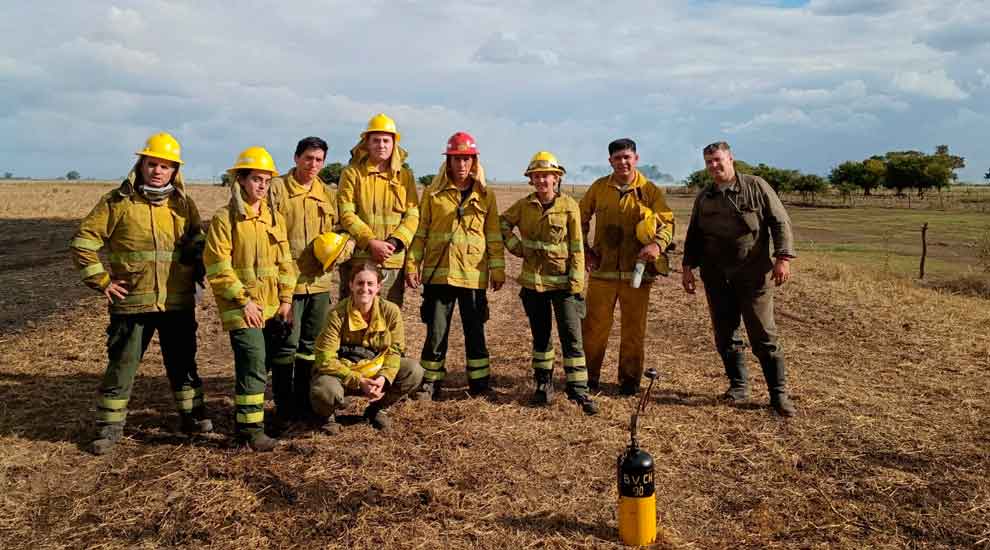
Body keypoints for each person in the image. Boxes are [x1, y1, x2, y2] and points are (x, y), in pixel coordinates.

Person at [71, 132, 212, 455]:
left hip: (176, 301)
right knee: (122, 365)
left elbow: (198, 243)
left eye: (166, 166)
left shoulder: (183, 204)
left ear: (175, 171)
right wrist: (103, 281)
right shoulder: (116, 203)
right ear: (141, 164)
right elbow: (83, 244)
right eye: (152, 164)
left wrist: (199, 266)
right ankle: (109, 428)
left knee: (182, 362)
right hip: (131, 303)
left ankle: (192, 417)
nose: (158, 171)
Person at [681, 141, 797, 417]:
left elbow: (780, 222)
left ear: (731, 159)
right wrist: (687, 267)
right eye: (708, 161)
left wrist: (783, 258)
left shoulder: (756, 186)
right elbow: (694, 234)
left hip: (753, 274)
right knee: (725, 335)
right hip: (716, 275)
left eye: (718, 160)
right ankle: (738, 386)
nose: (713, 166)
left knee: (763, 336)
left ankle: (778, 395)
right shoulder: (705, 196)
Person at [204, 146, 297, 451]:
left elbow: (285, 264)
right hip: (241, 308)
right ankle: (249, 430)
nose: (262, 185)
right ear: (241, 180)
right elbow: (218, 267)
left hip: (272, 307)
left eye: (267, 180)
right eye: (256, 179)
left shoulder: (274, 218)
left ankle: (262, 419)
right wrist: (244, 301)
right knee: (254, 363)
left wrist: (285, 301)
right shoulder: (224, 219)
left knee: (273, 361)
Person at [405, 132, 505, 400]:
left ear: (474, 162)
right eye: (456, 159)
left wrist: (497, 269)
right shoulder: (433, 194)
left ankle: (480, 384)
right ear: (448, 162)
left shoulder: (486, 196)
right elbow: (421, 232)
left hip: (474, 276)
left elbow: (493, 234)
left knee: (475, 332)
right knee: (436, 333)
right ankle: (429, 384)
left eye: (466, 159)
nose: (461, 165)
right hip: (439, 273)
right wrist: (412, 264)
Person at [500, 152, 598, 415]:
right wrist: (516, 247)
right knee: (541, 339)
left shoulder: (569, 206)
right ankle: (544, 384)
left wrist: (577, 283)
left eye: (547, 175)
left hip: (565, 286)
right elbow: (502, 224)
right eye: (537, 175)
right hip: (533, 286)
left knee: (572, 338)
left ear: (557, 179)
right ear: (531, 179)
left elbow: (577, 247)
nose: (542, 180)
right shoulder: (523, 205)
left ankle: (579, 389)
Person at [268, 137, 352, 427]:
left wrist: (340, 253)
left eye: (318, 160)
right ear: (296, 158)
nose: (313, 164)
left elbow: (343, 232)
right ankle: (283, 404)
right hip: (286, 285)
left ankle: (305, 401)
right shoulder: (276, 189)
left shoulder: (328, 194)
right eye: (308, 158)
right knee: (285, 347)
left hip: (318, 284)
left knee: (311, 347)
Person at [579, 138, 675, 395]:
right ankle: (588, 379)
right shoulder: (598, 188)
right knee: (593, 327)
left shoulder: (650, 190)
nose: (623, 162)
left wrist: (656, 245)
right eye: (617, 158)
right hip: (602, 273)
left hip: (638, 274)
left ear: (636, 159)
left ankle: (629, 382)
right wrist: (585, 251)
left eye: (627, 157)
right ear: (609, 161)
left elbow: (667, 224)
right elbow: (580, 219)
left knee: (634, 329)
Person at [310, 262, 424, 434]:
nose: (365, 288)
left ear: (378, 287)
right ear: (351, 285)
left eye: (370, 284)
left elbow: (395, 350)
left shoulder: (391, 311)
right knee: (324, 389)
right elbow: (324, 359)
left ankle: (376, 410)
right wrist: (359, 381)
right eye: (360, 283)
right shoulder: (336, 315)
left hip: (375, 373)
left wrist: (384, 378)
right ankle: (328, 417)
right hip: (344, 373)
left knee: (413, 371)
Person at [337, 113, 419, 306]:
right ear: (366, 143)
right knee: (353, 318)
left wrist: (393, 242)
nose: (381, 145)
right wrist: (371, 242)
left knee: (388, 318)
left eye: (386, 141)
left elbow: (413, 215)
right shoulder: (352, 174)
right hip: (359, 258)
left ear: (394, 144)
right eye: (376, 140)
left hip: (392, 260)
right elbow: (346, 213)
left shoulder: (405, 177)